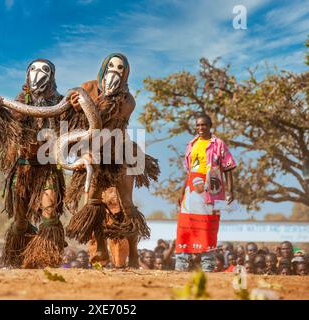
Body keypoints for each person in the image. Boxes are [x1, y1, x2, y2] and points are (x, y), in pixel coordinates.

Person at [65, 53, 160, 268]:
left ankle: (133, 255)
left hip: (118, 152)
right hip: (92, 152)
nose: (115, 70)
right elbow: (75, 118)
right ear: (103, 67)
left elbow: (106, 118)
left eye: (120, 68)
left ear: (125, 73)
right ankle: (98, 252)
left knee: (126, 205)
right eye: (111, 66)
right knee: (92, 203)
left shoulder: (128, 100)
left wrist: (90, 104)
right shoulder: (86, 87)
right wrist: (76, 106)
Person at [0, 59, 66, 268]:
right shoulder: (19, 101)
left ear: (52, 76)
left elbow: (74, 121)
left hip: (48, 167)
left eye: (44, 70)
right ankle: (17, 255)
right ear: (27, 74)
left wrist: (75, 104)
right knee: (20, 220)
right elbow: (11, 118)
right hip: (23, 167)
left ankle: (46, 256)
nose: (38, 74)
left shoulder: (61, 102)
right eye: (34, 69)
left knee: (49, 211)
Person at [175, 114, 237, 272]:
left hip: (212, 190)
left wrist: (231, 190)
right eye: (198, 125)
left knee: (208, 226)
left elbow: (228, 168)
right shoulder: (191, 144)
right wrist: (181, 192)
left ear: (210, 126)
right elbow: (188, 172)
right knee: (185, 226)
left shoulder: (218, 144)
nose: (200, 128)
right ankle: (181, 265)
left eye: (203, 125)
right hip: (191, 190)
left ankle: (207, 266)